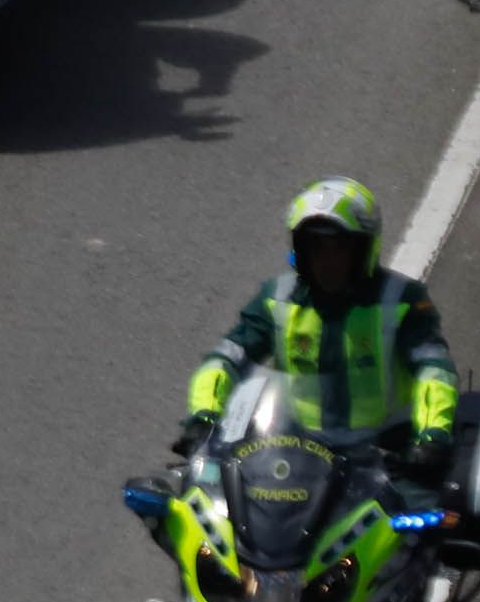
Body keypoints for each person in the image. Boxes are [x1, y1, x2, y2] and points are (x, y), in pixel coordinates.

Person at [171, 180, 460, 482]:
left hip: (387, 456)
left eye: (340, 249)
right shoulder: (277, 298)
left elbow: (434, 370)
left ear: (364, 249)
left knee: (422, 518)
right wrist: (203, 418)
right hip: (297, 453)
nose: (327, 261)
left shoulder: (401, 299)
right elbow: (225, 358)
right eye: (316, 249)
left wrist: (432, 437)